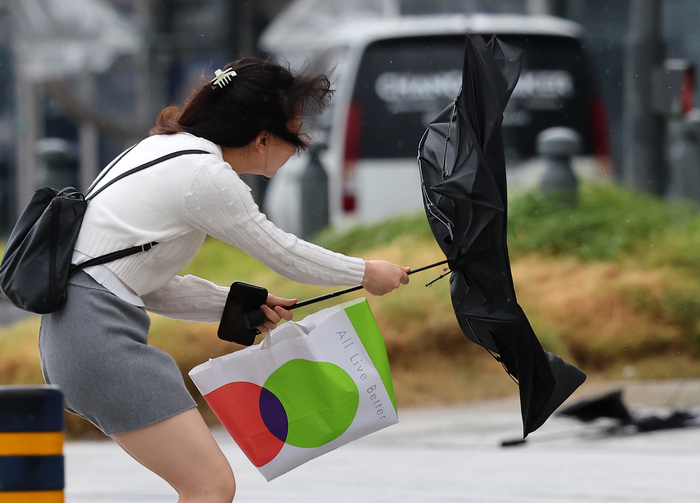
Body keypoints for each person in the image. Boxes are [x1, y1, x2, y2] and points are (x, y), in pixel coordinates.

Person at [38, 57, 409, 503]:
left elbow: (144, 283)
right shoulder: (205, 175)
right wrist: (367, 272)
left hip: (72, 335)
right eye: (298, 131)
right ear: (264, 138)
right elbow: (283, 252)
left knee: (204, 486)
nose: (302, 143)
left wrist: (235, 304)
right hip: (95, 339)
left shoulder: (162, 150)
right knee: (209, 486)